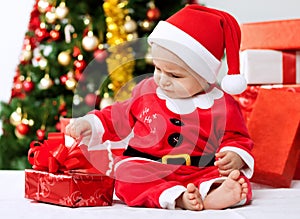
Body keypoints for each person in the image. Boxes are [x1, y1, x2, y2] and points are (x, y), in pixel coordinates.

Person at [65, 4, 254, 211]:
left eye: (174, 75)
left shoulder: (221, 104)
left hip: (199, 168)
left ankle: (213, 191)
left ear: (205, 75)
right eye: (157, 68)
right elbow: (117, 115)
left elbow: (236, 137)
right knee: (126, 176)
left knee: (237, 181)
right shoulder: (147, 91)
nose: (162, 80)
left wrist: (234, 155)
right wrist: (90, 123)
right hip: (148, 164)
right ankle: (178, 197)